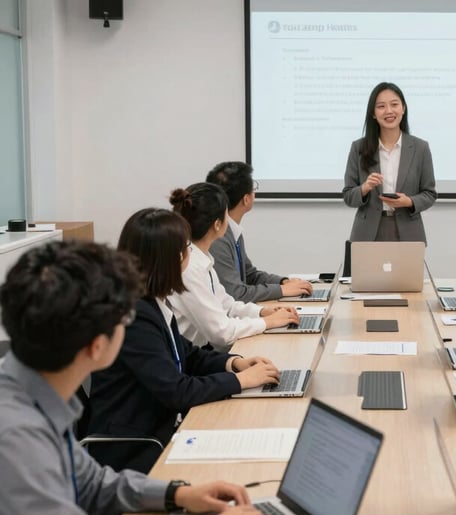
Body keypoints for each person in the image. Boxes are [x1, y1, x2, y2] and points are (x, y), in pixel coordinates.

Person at [0, 240, 270, 515]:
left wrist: (175, 494)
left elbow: (90, 484)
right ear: (97, 346)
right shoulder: (16, 439)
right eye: (125, 317)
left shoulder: (33, 394)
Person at [88, 209, 281, 473]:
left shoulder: (151, 301)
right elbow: (176, 391)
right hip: (138, 448)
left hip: (161, 429)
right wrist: (241, 382)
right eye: (186, 249)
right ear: (175, 258)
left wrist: (235, 364)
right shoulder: (133, 316)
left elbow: (187, 354)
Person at [169, 183, 299, 351]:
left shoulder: (201, 258)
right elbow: (222, 332)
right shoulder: (190, 267)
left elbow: (227, 305)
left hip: (200, 353)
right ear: (217, 224)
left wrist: (262, 312)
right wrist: (268, 322)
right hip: (191, 359)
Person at [342, 81, 437, 242]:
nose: (389, 111)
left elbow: (429, 194)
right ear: (373, 113)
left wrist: (409, 201)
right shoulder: (358, 148)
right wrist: (365, 188)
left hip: (408, 232)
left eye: (394, 104)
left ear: (403, 108)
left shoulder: (420, 148)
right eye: (381, 106)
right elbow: (348, 196)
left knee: (407, 269)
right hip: (368, 234)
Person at [206, 161, 314, 302]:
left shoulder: (232, 230)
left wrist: (283, 282)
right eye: (253, 189)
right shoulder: (217, 237)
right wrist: (282, 290)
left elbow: (249, 275)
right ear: (246, 199)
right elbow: (236, 293)